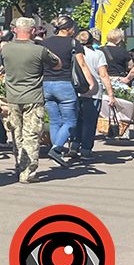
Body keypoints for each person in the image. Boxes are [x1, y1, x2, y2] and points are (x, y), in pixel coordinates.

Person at [1, 17, 62, 184]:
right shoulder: (38, 50)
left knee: (16, 134)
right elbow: (57, 64)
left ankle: (19, 164)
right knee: (32, 134)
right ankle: (27, 171)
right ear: (33, 31)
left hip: (12, 98)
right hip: (33, 97)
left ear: (15, 30)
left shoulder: (5, 49)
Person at [40, 15, 94, 167]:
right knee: (70, 120)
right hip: (64, 84)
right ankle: (57, 149)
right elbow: (82, 64)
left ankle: (56, 152)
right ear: (69, 29)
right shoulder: (73, 43)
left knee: (55, 121)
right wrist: (91, 83)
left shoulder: (45, 43)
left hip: (46, 84)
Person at [74, 28, 114, 159]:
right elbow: (103, 75)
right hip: (93, 92)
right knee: (89, 123)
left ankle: (74, 146)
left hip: (75, 90)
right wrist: (111, 94)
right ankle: (86, 150)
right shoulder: (98, 54)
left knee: (76, 120)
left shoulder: (73, 53)